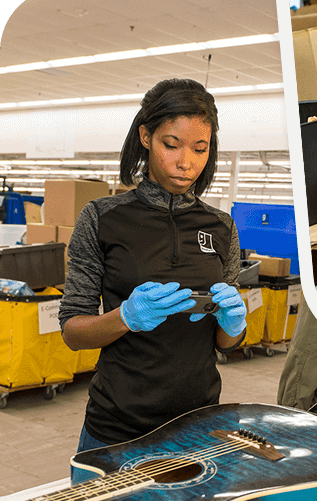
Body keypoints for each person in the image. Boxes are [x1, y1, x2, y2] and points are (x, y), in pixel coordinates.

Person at [58, 79, 248, 463]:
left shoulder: (222, 227)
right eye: (171, 145)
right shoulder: (102, 218)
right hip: (116, 427)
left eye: (200, 149)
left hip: (199, 426)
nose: (186, 162)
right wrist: (126, 317)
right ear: (146, 136)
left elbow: (226, 344)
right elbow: (72, 332)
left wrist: (234, 325)